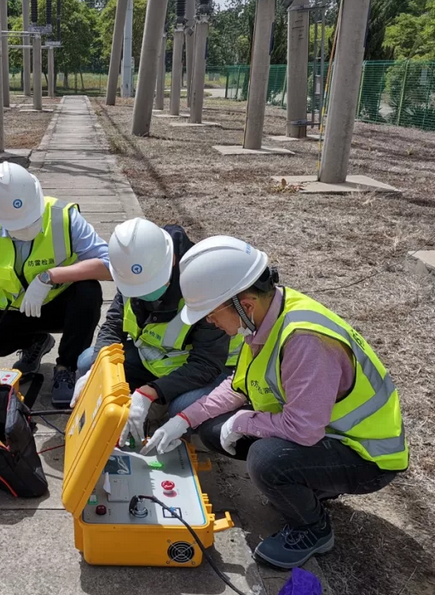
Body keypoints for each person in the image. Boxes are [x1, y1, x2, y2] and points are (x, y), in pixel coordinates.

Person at [144, 235, 408, 569]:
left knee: (267, 459)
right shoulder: (267, 316)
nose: (209, 322)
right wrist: (183, 419)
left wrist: (242, 422)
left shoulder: (305, 341)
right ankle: (309, 486)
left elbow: (303, 431)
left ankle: (313, 530)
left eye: (210, 314)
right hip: (327, 433)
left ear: (245, 304)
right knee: (211, 428)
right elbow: (237, 386)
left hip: (367, 457)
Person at [0, 162, 112, 407]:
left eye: (31, 219)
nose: (27, 228)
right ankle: (35, 342)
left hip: (60, 308)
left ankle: (66, 366)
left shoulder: (63, 217)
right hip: (15, 313)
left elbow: (111, 265)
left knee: (88, 291)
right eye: (18, 225)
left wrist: (51, 276)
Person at [71, 219, 241, 448]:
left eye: (149, 286)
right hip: (154, 359)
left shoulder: (201, 286)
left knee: (181, 407)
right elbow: (113, 325)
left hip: (212, 370)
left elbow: (206, 362)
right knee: (86, 362)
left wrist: (149, 392)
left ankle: (182, 423)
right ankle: (139, 411)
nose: (142, 296)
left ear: (170, 261)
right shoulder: (132, 274)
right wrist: (99, 368)